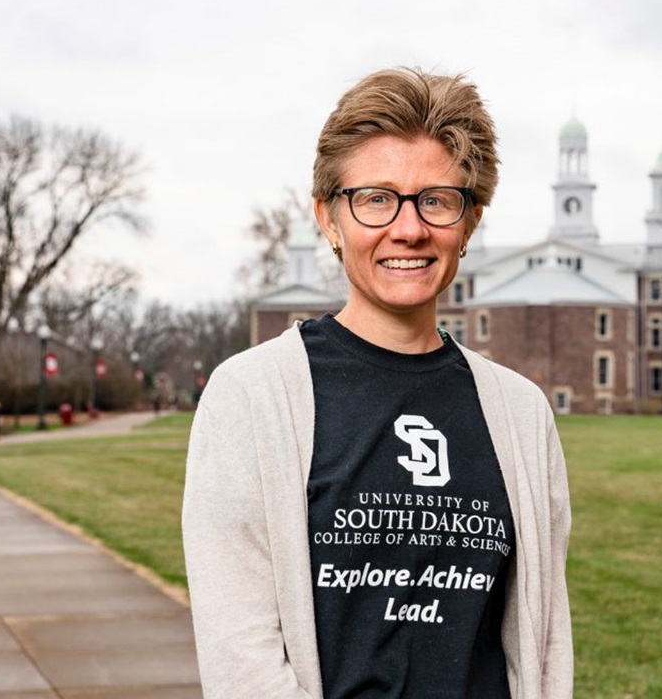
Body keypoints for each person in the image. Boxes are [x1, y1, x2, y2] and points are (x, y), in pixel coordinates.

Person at [183, 67, 573, 698]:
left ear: (468, 224)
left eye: (437, 199)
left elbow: (545, 640)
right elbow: (241, 657)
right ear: (329, 218)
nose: (409, 228)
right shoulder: (253, 397)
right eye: (375, 198)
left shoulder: (520, 413)